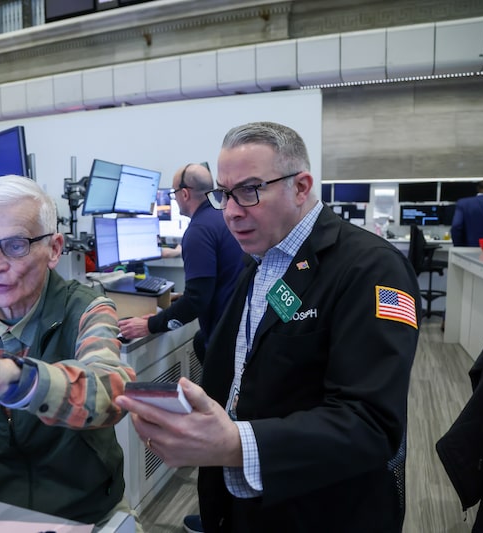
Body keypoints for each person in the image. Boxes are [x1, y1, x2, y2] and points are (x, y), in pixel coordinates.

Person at [115, 121, 420, 531]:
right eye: (224, 194)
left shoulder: (372, 269)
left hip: (321, 509)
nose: (232, 211)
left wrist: (235, 444)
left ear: (300, 186)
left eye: (250, 189)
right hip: (246, 504)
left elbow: (371, 424)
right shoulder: (260, 261)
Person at [0, 175, 140, 529]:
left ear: (55, 249)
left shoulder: (87, 308)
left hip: (84, 510)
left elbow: (110, 389)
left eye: (15, 245)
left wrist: (13, 378)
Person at [117, 163, 244, 364]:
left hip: (226, 341)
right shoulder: (223, 215)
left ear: (184, 194)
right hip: (238, 329)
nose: (174, 199)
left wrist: (150, 325)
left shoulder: (198, 231)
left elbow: (197, 300)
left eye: (174, 193)